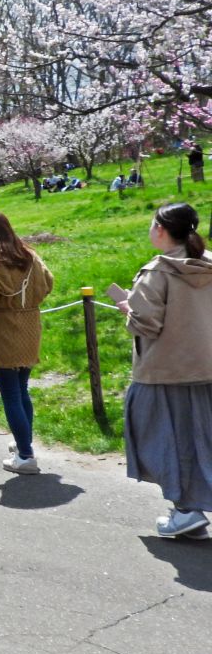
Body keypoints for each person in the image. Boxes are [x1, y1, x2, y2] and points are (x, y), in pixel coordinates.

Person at [120, 203, 212, 537]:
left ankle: (185, 511)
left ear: (160, 229)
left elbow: (146, 324)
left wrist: (128, 308)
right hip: (206, 367)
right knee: (202, 441)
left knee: (161, 442)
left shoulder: (158, 272)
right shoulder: (208, 264)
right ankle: (190, 511)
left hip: (164, 372)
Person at [0, 211, 54, 476]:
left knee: (10, 394)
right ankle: (24, 442)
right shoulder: (30, 255)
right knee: (22, 389)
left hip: (4, 327)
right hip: (30, 325)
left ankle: (25, 455)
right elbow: (48, 283)